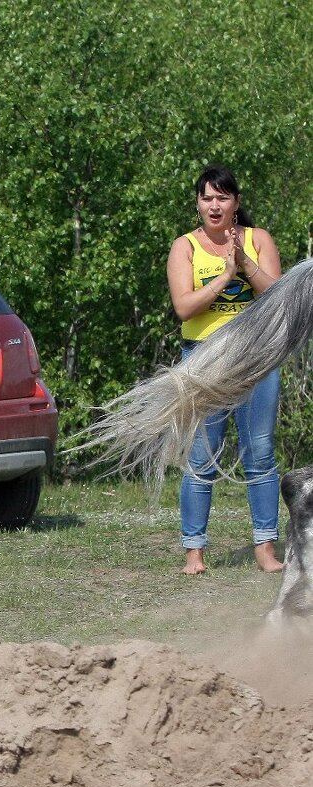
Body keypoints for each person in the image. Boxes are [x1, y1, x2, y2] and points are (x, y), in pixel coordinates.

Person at [167, 165, 283, 576]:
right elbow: (184, 306)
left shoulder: (258, 240)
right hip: (204, 360)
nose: (214, 206)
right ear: (198, 203)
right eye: (207, 198)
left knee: (260, 454)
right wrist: (227, 275)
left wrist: (246, 264)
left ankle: (266, 548)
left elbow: (278, 297)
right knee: (202, 457)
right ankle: (194, 552)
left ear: (236, 203)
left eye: (222, 197)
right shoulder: (185, 247)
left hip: (256, 357)